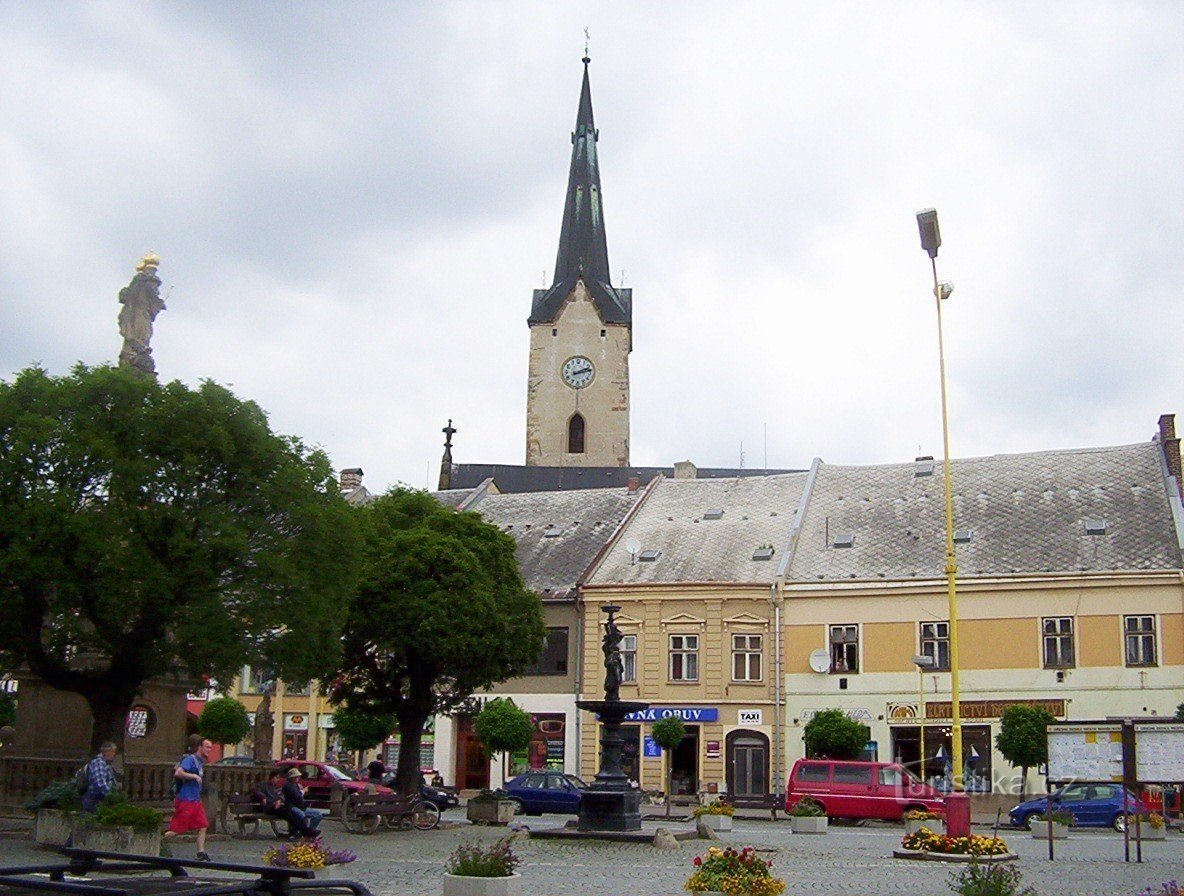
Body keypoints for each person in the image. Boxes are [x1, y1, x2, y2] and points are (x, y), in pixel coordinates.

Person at [164, 736, 211, 861]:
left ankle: (200, 853)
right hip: (186, 800)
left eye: (210, 747)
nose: (209, 750)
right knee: (176, 830)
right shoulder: (190, 759)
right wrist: (193, 776)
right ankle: (158, 841)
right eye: (207, 747)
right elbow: (178, 772)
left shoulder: (201, 762)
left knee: (203, 826)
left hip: (195, 800)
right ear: (200, 747)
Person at [254, 768, 317, 839]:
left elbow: (281, 795)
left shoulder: (274, 787)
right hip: (270, 808)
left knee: (293, 814)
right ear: (273, 777)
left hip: (278, 807)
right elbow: (257, 791)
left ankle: (303, 832)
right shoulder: (263, 785)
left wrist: (279, 800)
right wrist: (263, 797)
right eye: (277, 778)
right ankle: (306, 832)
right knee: (290, 814)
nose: (278, 780)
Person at [81, 742, 120, 812]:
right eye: (113, 752)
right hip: (95, 801)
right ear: (107, 751)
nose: (114, 754)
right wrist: (112, 796)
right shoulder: (99, 763)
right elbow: (100, 784)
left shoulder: (105, 763)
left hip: (97, 800)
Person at [282, 767, 323, 833]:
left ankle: (310, 830)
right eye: (296, 777)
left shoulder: (295, 785)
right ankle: (304, 832)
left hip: (300, 806)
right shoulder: (288, 786)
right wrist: (303, 791)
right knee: (302, 816)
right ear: (292, 777)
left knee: (318, 815)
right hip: (292, 806)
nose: (298, 778)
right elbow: (296, 796)